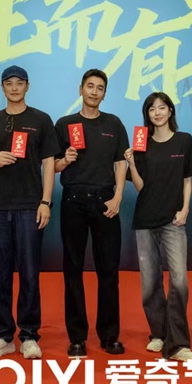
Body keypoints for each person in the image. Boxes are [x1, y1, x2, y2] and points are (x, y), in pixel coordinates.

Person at [0, 65, 57, 360]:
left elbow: (50, 162)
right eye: (9, 83)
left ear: (27, 86)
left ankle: (29, 335)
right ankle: (2, 335)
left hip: (29, 205)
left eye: (19, 83)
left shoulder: (40, 120)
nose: (14, 88)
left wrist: (45, 202)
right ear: (2, 87)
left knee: (29, 272)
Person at [54, 69, 128, 358]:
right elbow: (52, 166)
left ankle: (110, 336)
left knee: (108, 271)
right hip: (73, 200)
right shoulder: (65, 124)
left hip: (105, 202)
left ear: (104, 94)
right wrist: (64, 160)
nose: (94, 92)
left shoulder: (114, 123)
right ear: (80, 89)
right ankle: (77, 338)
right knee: (72, 270)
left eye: (100, 88)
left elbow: (120, 163)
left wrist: (118, 197)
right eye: (90, 86)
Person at [125, 92, 192, 362]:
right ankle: (159, 333)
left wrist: (185, 209)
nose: (157, 113)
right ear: (147, 114)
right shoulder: (141, 143)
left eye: (162, 107)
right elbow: (141, 187)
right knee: (150, 283)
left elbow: (187, 179)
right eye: (152, 109)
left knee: (179, 282)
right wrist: (132, 163)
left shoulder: (183, 140)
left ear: (170, 111)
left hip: (173, 221)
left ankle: (178, 344)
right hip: (145, 220)